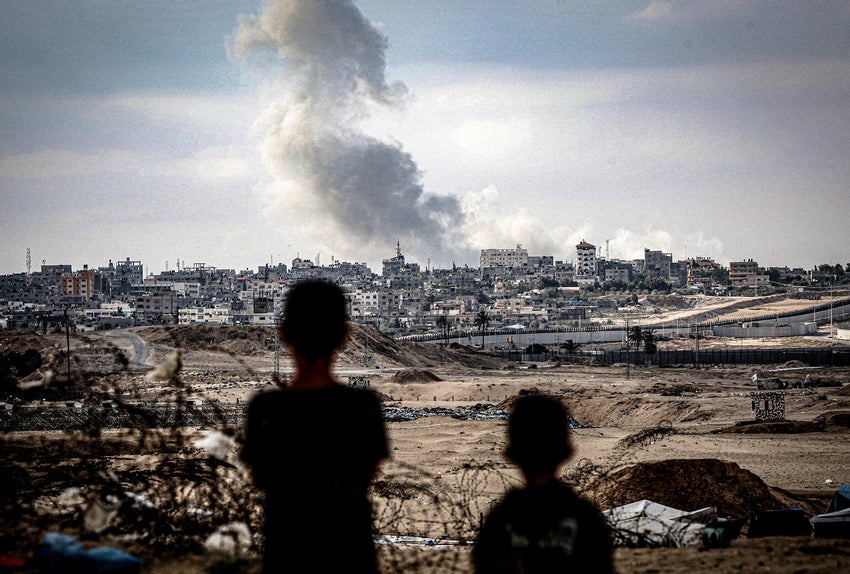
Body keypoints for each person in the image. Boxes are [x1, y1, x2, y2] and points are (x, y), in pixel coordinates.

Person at [240, 280, 388, 573]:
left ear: (284, 335)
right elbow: (367, 472)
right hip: (349, 552)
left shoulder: (266, 408)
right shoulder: (362, 406)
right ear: (344, 337)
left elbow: (260, 477)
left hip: (288, 551)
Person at [473, 394, 614, 574]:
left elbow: (485, 562)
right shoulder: (585, 517)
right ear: (568, 453)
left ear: (509, 455)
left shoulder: (501, 518)